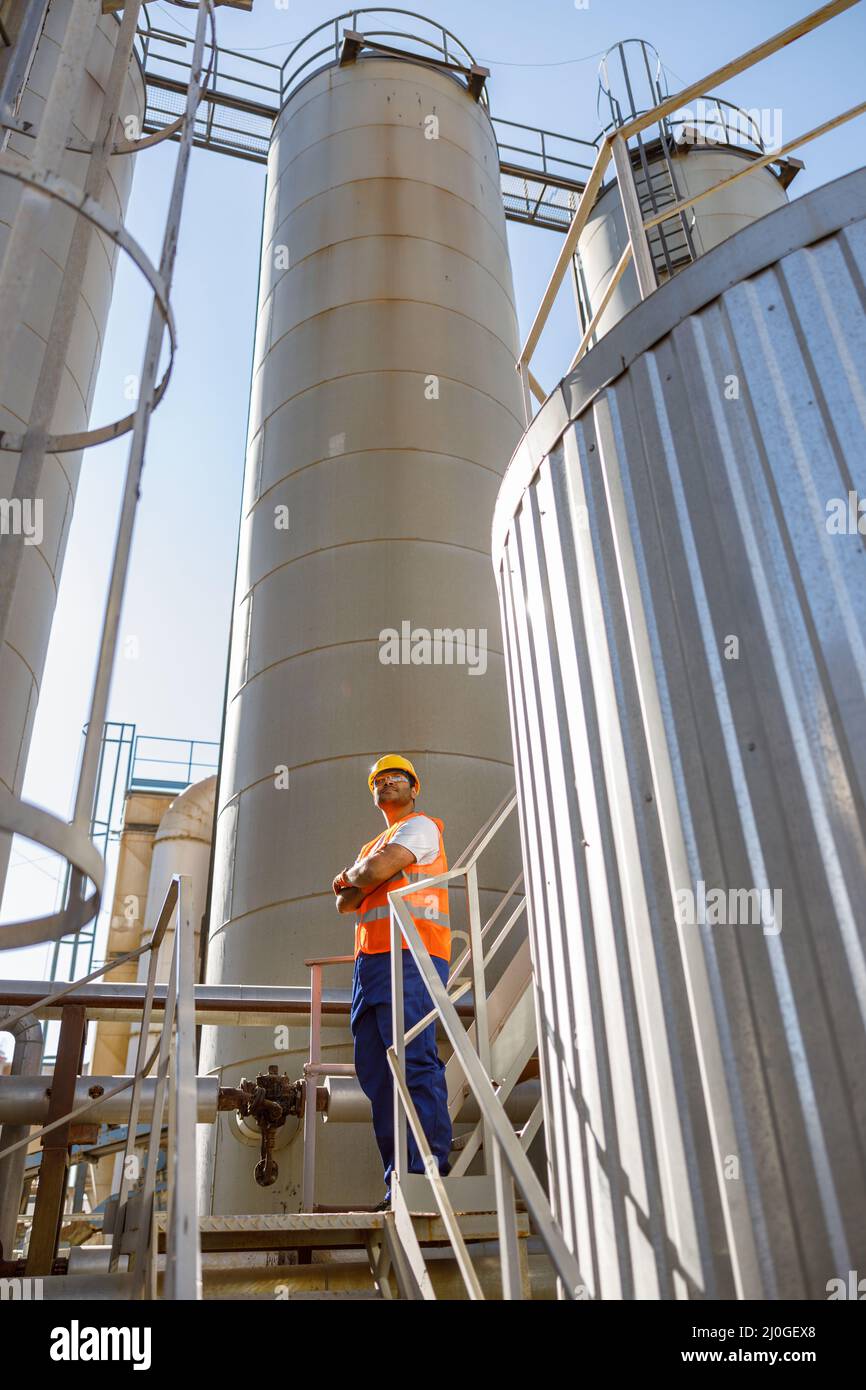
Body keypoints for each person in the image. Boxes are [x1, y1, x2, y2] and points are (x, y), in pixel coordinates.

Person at [333, 755, 452, 1209]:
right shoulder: (374, 843)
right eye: (378, 781)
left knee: (413, 1058)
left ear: (414, 787)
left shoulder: (420, 828)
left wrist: (354, 877)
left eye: (394, 779)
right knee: (376, 1070)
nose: (385, 785)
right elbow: (346, 905)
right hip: (371, 964)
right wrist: (362, 878)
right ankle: (399, 1176)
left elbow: (366, 879)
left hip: (413, 955)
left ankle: (427, 1170)